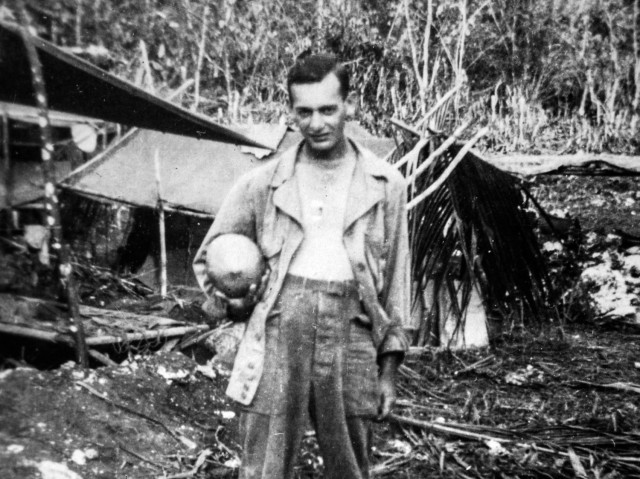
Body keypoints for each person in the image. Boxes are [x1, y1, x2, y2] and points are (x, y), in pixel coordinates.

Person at [193, 53, 411, 479]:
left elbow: (397, 283)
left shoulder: (386, 185)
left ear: (350, 105)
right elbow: (211, 258)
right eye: (304, 111)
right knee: (264, 465)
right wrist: (236, 302)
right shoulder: (263, 181)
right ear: (290, 112)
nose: (317, 123)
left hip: (353, 332)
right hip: (278, 329)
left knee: (350, 464)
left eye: (328, 109)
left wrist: (389, 372)